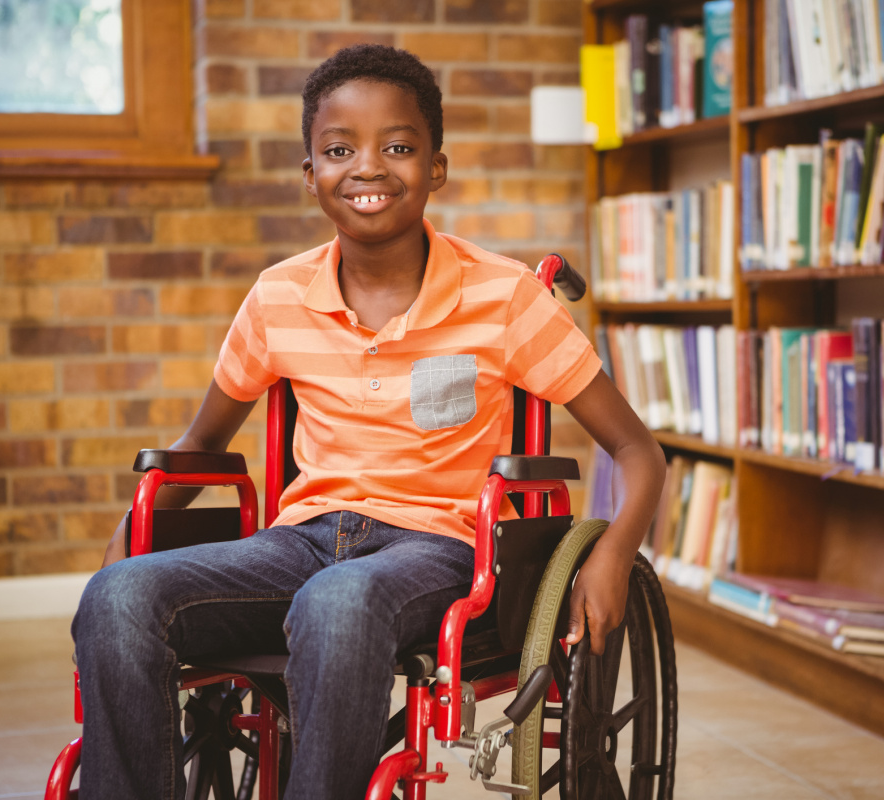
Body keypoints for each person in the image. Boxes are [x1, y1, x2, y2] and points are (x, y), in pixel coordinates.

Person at [72, 43, 665, 800]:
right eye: (340, 149)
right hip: (302, 540)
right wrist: (130, 541)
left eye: (398, 147)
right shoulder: (279, 296)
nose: (369, 168)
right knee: (119, 597)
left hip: (442, 551)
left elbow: (638, 451)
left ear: (436, 167)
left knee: (340, 601)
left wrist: (612, 555)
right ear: (310, 173)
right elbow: (202, 444)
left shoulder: (506, 298)